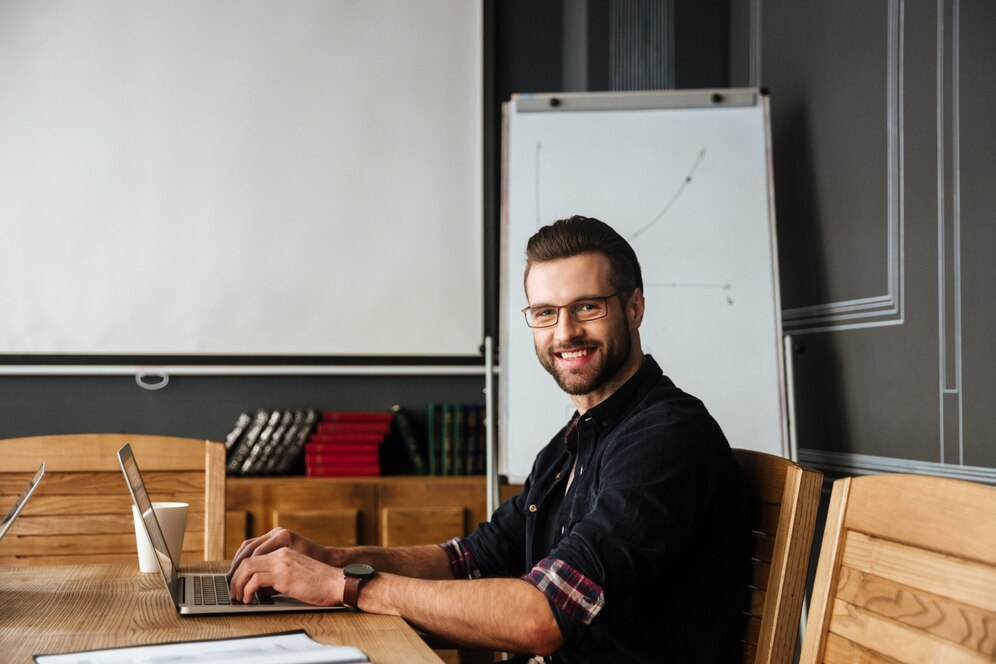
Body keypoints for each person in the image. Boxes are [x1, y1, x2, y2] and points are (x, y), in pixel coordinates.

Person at [227, 215, 751, 662]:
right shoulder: (574, 443)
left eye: (587, 306)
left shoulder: (665, 439)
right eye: (545, 313)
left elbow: (542, 616)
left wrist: (348, 588)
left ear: (634, 307)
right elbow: (471, 560)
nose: (564, 331)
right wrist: (331, 559)